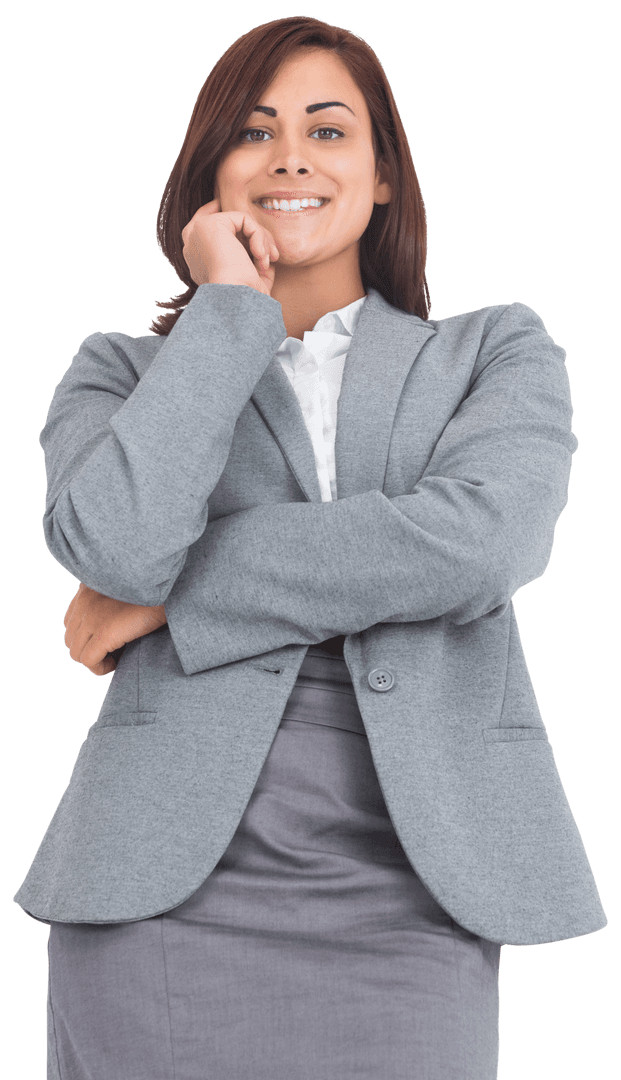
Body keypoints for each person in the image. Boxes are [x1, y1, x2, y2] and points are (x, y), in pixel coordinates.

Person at [14, 15, 607, 1080]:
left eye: (328, 131)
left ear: (383, 178)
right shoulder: (121, 373)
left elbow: (482, 543)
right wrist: (227, 316)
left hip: (418, 878)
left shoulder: (491, 351)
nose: (289, 157)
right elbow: (118, 549)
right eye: (255, 133)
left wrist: (179, 602)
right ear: (211, 176)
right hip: (157, 892)